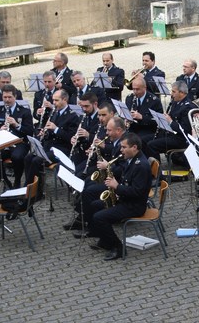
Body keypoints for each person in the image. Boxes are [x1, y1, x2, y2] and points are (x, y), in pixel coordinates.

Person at [87, 132, 152, 260]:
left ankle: (118, 248)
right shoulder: (131, 159)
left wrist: (116, 187)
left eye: (123, 147)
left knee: (100, 217)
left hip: (134, 206)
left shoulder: (141, 166)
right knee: (95, 205)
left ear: (134, 147)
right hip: (125, 199)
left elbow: (137, 192)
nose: (121, 150)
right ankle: (105, 241)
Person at [24, 89, 79, 188]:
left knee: (37, 160)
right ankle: (31, 186)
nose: (54, 103)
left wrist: (56, 129)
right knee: (28, 157)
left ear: (65, 99)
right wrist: (45, 134)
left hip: (62, 149)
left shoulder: (72, 116)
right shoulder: (54, 113)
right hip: (50, 146)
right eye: (53, 100)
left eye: (56, 100)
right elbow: (50, 132)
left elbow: (70, 138)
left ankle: (34, 189)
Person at [0, 84, 33, 189]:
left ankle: (17, 181)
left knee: (17, 157)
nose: (7, 100)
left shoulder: (24, 112)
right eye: (5, 97)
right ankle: (5, 181)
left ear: (15, 97)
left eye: (9, 97)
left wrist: (17, 125)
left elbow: (30, 131)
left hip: (19, 142)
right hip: (3, 143)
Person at [147, 80, 197, 162]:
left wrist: (170, 121)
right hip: (170, 134)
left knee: (151, 145)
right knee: (144, 140)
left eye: (174, 92)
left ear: (181, 93)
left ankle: (156, 169)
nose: (171, 94)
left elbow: (185, 130)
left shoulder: (188, 107)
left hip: (180, 139)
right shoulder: (175, 102)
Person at [124, 76, 164, 151]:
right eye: (133, 89)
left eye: (137, 89)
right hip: (133, 128)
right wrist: (126, 119)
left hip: (148, 130)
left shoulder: (154, 101)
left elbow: (159, 122)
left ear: (144, 88)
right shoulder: (129, 98)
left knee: (137, 140)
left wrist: (142, 117)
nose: (135, 92)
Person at [70, 92, 100, 178]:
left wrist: (88, 135)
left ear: (95, 104)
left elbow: (102, 138)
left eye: (86, 106)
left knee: (76, 175)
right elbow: (79, 135)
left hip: (94, 156)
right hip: (83, 151)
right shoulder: (85, 116)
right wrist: (75, 138)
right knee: (64, 168)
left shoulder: (101, 117)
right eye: (82, 106)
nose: (84, 109)